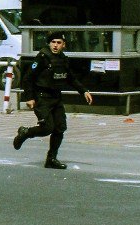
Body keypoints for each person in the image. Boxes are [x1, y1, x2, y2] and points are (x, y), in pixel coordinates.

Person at [13, 32, 93, 169]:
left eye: (59, 43)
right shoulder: (42, 58)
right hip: (42, 96)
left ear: (63, 44)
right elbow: (28, 78)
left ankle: (51, 158)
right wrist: (30, 97)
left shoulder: (62, 59)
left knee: (60, 128)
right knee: (47, 128)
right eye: (53, 42)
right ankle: (25, 132)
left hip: (56, 96)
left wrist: (83, 90)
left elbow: (70, 78)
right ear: (49, 43)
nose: (55, 45)